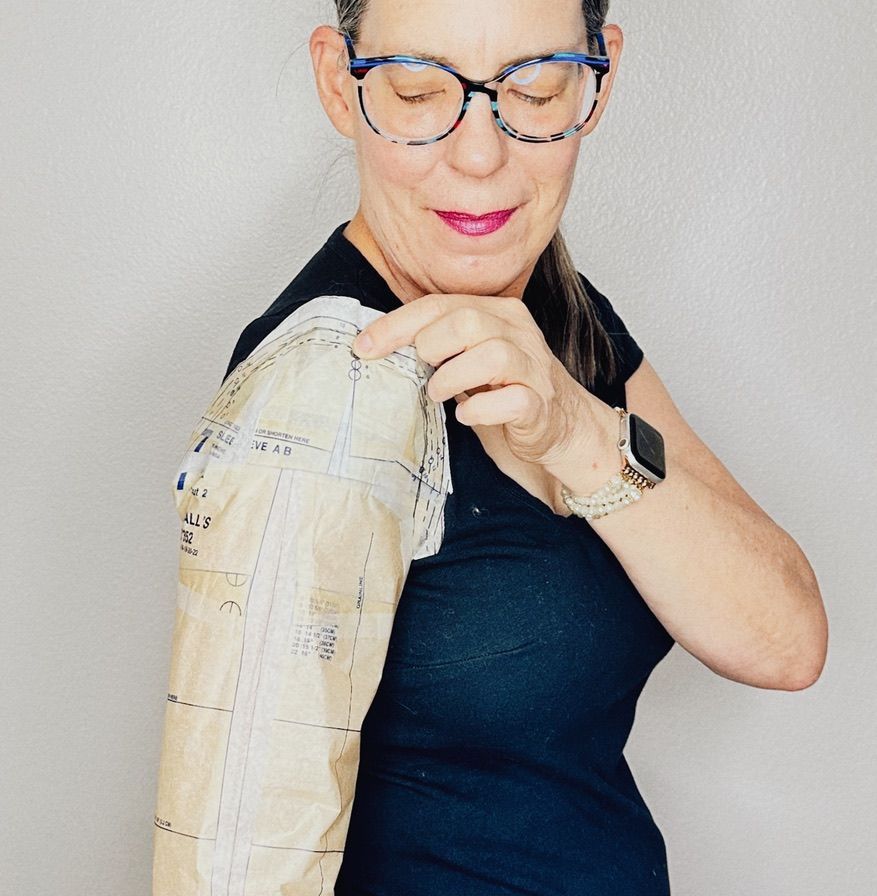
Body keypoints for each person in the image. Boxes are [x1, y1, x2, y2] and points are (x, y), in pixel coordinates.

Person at [153, 1, 828, 894]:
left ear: (599, 76)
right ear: (335, 80)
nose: (479, 154)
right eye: (417, 89)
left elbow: (783, 642)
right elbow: (231, 856)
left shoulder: (557, 305)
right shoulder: (330, 392)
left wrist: (577, 433)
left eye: (536, 87)